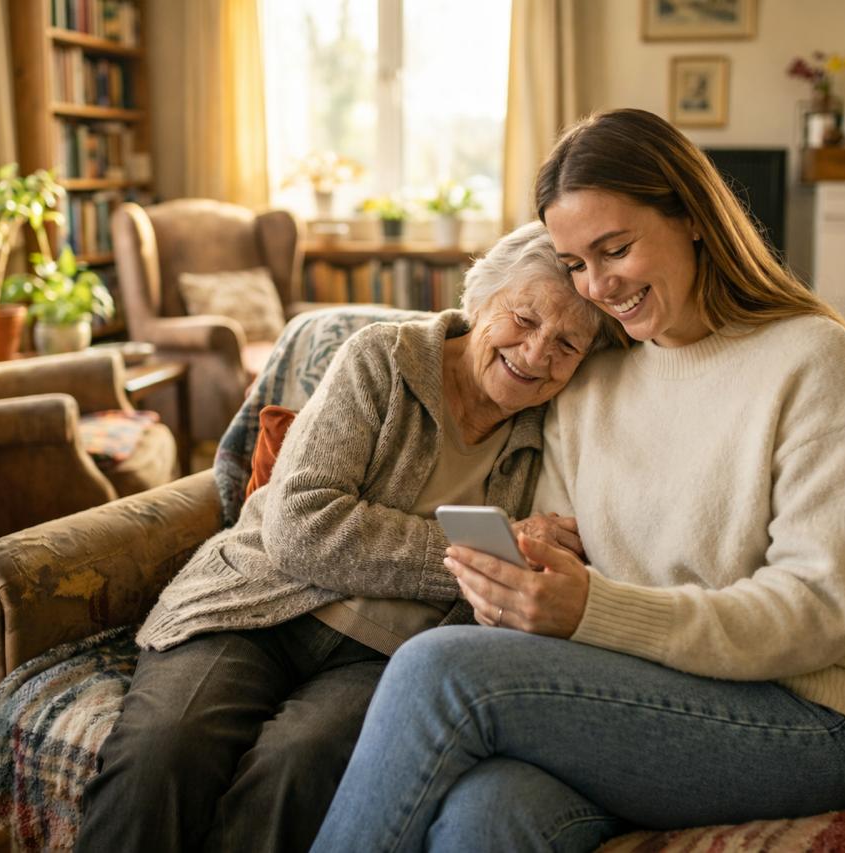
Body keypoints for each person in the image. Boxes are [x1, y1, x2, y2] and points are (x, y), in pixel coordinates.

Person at [312, 108, 845, 852]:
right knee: (488, 812)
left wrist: (594, 610)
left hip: (806, 717)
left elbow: (817, 611)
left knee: (436, 671)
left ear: (692, 217)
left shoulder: (812, 359)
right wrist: (516, 593)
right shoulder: (589, 383)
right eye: (575, 263)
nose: (598, 286)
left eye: (616, 249)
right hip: (637, 697)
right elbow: (563, 569)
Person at [74, 221, 616, 853]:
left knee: (295, 769)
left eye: (567, 344)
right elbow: (300, 525)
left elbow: (524, 586)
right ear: (481, 298)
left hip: (384, 655)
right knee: (164, 749)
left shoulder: (556, 430)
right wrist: (464, 557)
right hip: (255, 604)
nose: (536, 353)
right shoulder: (382, 358)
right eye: (523, 319)